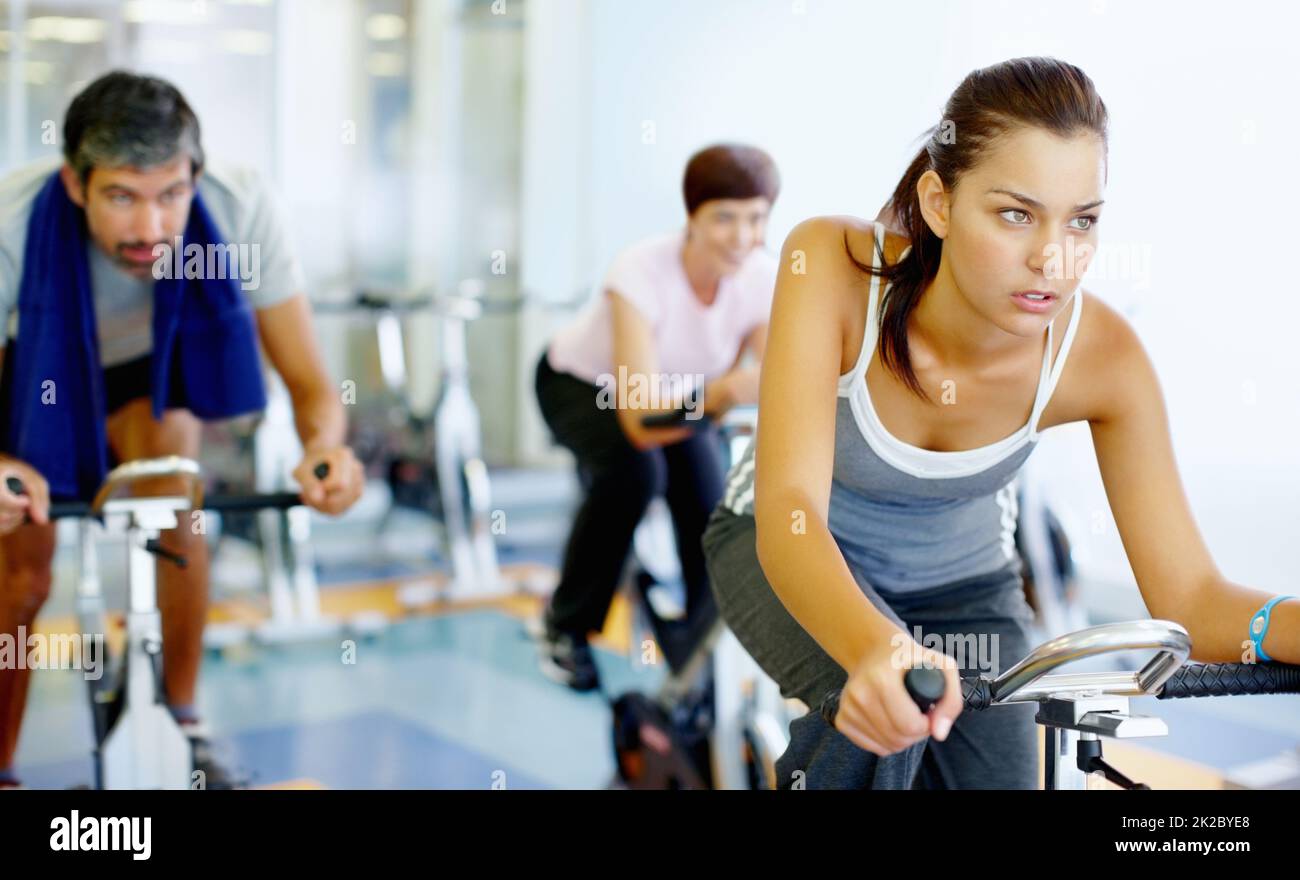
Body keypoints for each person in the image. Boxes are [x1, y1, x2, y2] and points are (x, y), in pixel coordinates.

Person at [702, 56, 1298, 789]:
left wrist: (1287, 624)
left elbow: (1194, 601)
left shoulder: (1105, 360)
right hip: (787, 546)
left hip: (962, 590)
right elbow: (790, 511)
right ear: (939, 203)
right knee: (885, 729)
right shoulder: (829, 264)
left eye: (1082, 221)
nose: (1053, 258)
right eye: (1016, 214)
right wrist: (878, 650)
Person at [0, 71, 366, 789]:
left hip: (147, 370)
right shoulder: (13, 222)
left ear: (195, 175)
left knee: (176, 503)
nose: (151, 229)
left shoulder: (242, 206)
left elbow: (312, 385)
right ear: (76, 186)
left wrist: (326, 448)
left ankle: (182, 717)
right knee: (21, 566)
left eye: (171, 194)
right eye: (121, 197)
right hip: (33, 368)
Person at [534, 143, 780, 690]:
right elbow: (640, 419)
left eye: (756, 219)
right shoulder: (641, 271)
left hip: (684, 398)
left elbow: (768, 376)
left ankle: (701, 641)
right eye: (725, 218)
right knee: (634, 473)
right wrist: (721, 393)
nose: (742, 237)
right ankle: (564, 625)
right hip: (584, 386)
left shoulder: (764, 278)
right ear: (692, 216)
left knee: (711, 504)